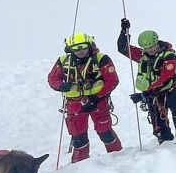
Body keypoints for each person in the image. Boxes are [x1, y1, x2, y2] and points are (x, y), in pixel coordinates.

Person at [47, 32, 122, 163]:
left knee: (105, 132)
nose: (80, 51)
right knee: (78, 136)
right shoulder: (64, 61)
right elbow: (52, 78)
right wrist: (61, 86)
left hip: (99, 101)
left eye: (83, 47)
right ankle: (79, 164)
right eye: (76, 48)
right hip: (74, 103)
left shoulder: (101, 58)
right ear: (70, 48)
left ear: (89, 45)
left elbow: (112, 80)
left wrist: (96, 98)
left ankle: (118, 157)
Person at [118, 19, 176, 144]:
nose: (150, 50)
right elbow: (123, 48)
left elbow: (165, 77)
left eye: (152, 46)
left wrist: (144, 94)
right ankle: (164, 141)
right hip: (152, 93)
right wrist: (124, 31)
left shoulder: (169, 56)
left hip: (170, 87)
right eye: (146, 47)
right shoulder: (142, 56)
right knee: (158, 124)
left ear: (157, 43)